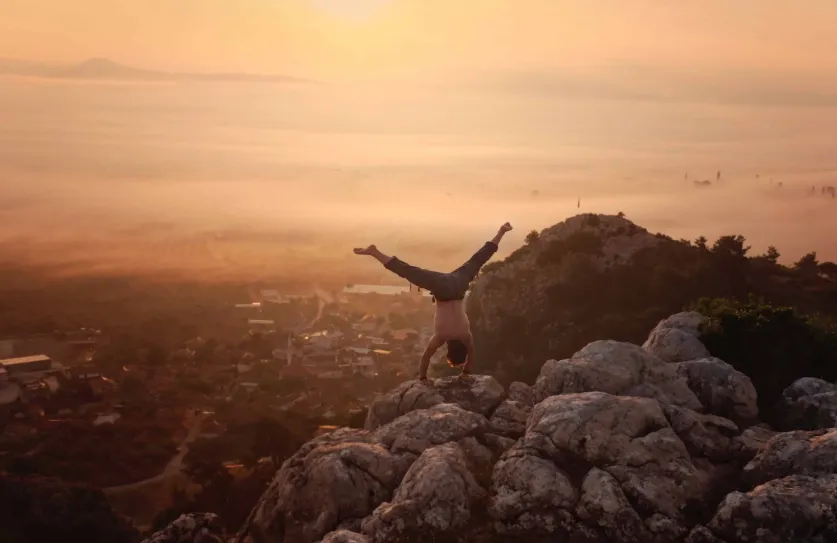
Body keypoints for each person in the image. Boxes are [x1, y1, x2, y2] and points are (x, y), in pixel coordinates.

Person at [354, 222, 513, 381]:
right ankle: (375, 253)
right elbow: (426, 357)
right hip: (442, 290)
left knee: (478, 260)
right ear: (448, 350)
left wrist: (466, 372)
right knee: (410, 272)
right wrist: (423, 378)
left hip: (458, 284)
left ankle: (502, 231)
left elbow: (471, 354)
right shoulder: (440, 337)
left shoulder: (466, 336)